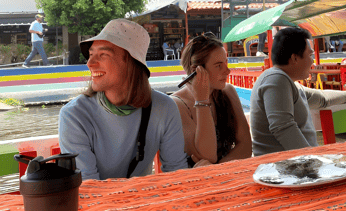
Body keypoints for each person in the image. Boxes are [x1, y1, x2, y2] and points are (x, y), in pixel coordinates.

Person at [59, 19, 188, 180]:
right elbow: (88, 187)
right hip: (98, 203)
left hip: (140, 201)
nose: (90, 63)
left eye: (103, 54)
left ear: (131, 62)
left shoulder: (164, 107)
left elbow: (177, 173)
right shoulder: (74, 115)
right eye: (91, 54)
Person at [250, 27, 346, 156]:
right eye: (310, 55)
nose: (312, 61)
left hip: (296, 164)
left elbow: (321, 99)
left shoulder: (289, 83)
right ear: (294, 58)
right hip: (283, 168)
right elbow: (283, 128)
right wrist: (314, 161)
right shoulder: (276, 80)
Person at [171, 32, 252, 167]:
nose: (227, 71)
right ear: (196, 70)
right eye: (219, 65)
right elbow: (208, 155)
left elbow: (246, 147)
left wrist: (216, 170)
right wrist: (202, 100)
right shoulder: (178, 104)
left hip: (225, 176)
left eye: (226, 63)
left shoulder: (227, 91)